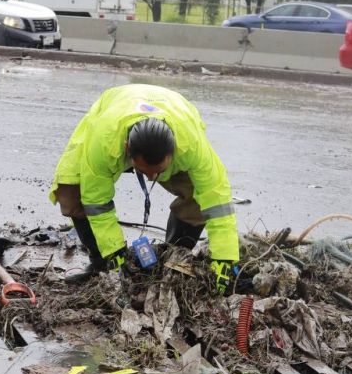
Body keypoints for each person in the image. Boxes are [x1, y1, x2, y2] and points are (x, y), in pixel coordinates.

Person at [49, 84, 239, 293]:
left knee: (198, 199)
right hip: (113, 115)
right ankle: (100, 265)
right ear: (126, 149)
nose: (150, 178)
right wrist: (114, 253)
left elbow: (218, 202)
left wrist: (224, 258)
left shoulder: (192, 145)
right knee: (71, 193)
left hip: (177, 112)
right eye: (144, 170)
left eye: (157, 172)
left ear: (174, 151)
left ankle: (173, 258)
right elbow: (96, 202)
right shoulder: (104, 141)